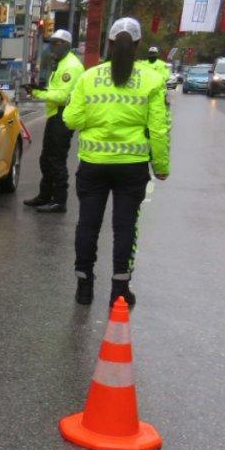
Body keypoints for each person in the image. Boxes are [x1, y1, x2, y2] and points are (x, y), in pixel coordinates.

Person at [62, 17, 170, 307]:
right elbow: (158, 128)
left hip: (93, 164)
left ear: (108, 43)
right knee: (125, 228)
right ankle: (120, 291)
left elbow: (71, 119)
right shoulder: (152, 80)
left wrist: (94, 119)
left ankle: (84, 288)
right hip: (132, 167)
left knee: (87, 225)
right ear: (137, 46)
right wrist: (160, 166)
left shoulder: (88, 78)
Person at [22, 30, 84, 213]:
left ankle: (59, 200)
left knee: (56, 159)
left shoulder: (70, 66)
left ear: (66, 45)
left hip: (63, 115)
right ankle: (45, 195)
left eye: (56, 44)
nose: (52, 47)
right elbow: (56, 89)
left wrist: (37, 93)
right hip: (55, 114)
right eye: (51, 43)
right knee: (46, 158)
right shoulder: (61, 63)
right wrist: (39, 88)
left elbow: (62, 95)